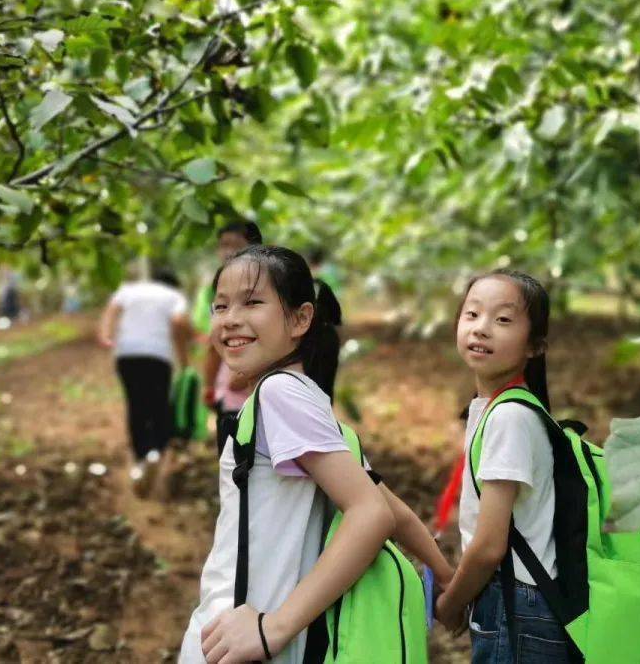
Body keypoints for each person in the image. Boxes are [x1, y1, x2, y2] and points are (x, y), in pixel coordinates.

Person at [179, 245, 452, 663]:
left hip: (241, 635)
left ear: (300, 319)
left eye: (252, 302)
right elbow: (388, 505)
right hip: (257, 636)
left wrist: (274, 628)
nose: (230, 318)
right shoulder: (307, 401)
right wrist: (447, 579)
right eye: (220, 306)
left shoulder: (279, 394)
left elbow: (371, 512)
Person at [435, 270, 571, 663]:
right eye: (472, 314)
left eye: (503, 319)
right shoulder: (501, 409)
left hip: (517, 602)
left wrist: (451, 603)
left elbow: (489, 546)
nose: (482, 328)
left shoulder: (510, 417)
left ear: (535, 346)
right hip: (524, 598)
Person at [98, 268, 192, 488]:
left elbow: (112, 310)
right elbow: (179, 322)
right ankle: (157, 452)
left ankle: (141, 458)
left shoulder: (129, 289)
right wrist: (184, 359)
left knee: (136, 403)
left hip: (127, 354)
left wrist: (106, 335)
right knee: (159, 403)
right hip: (158, 355)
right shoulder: (174, 296)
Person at [193, 221, 263, 453]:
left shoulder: (268, 286)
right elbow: (215, 343)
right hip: (232, 395)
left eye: (235, 245)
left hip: (262, 393)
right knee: (235, 462)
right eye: (223, 245)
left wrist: (246, 374)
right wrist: (209, 386)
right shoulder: (218, 291)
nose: (228, 252)